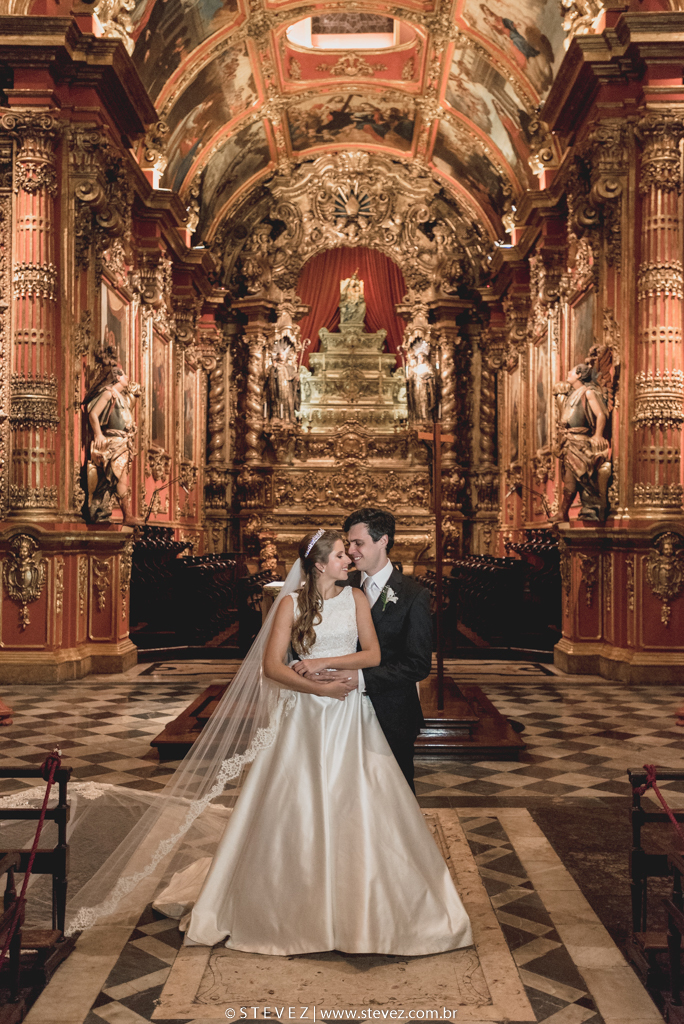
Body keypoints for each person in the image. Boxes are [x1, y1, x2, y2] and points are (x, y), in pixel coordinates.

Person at [159, 529, 472, 956]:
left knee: (357, 797)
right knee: (297, 800)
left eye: (349, 552)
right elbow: (272, 667)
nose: (349, 559)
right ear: (321, 564)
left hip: (350, 714)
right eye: (341, 555)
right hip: (303, 715)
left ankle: (366, 898)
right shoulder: (290, 604)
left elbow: (372, 655)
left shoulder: (356, 598)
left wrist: (324, 663)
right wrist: (316, 688)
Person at [299, 509, 429, 793]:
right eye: (349, 544)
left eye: (358, 543)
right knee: (345, 792)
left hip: (391, 712)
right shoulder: (340, 583)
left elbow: (417, 664)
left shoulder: (413, 594)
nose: (351, 551)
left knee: (395, 794)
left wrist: (360, 678)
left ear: (383, 541)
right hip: (337, 711)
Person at [83, 364, 141, 524]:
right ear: (117, 377)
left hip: (123, 442)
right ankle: (126, 516)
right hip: (114, 442)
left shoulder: (121, 397)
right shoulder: (109, 393)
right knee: (119, 478)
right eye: (124, 375)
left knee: (111, 480)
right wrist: (98, 434)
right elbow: (93, 414)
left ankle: (100, 511)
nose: (127, 377)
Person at [553, 363, 610, 522]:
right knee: (571, 477)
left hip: (580, 441)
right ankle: (565, 512)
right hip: (569, 441)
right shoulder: (572, 394)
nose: (568, 372)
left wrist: (598, 435)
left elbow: (601, 415)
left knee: (582, 477)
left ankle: (589, 509)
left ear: (579, 375)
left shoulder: (588, 392)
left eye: (572, 371)